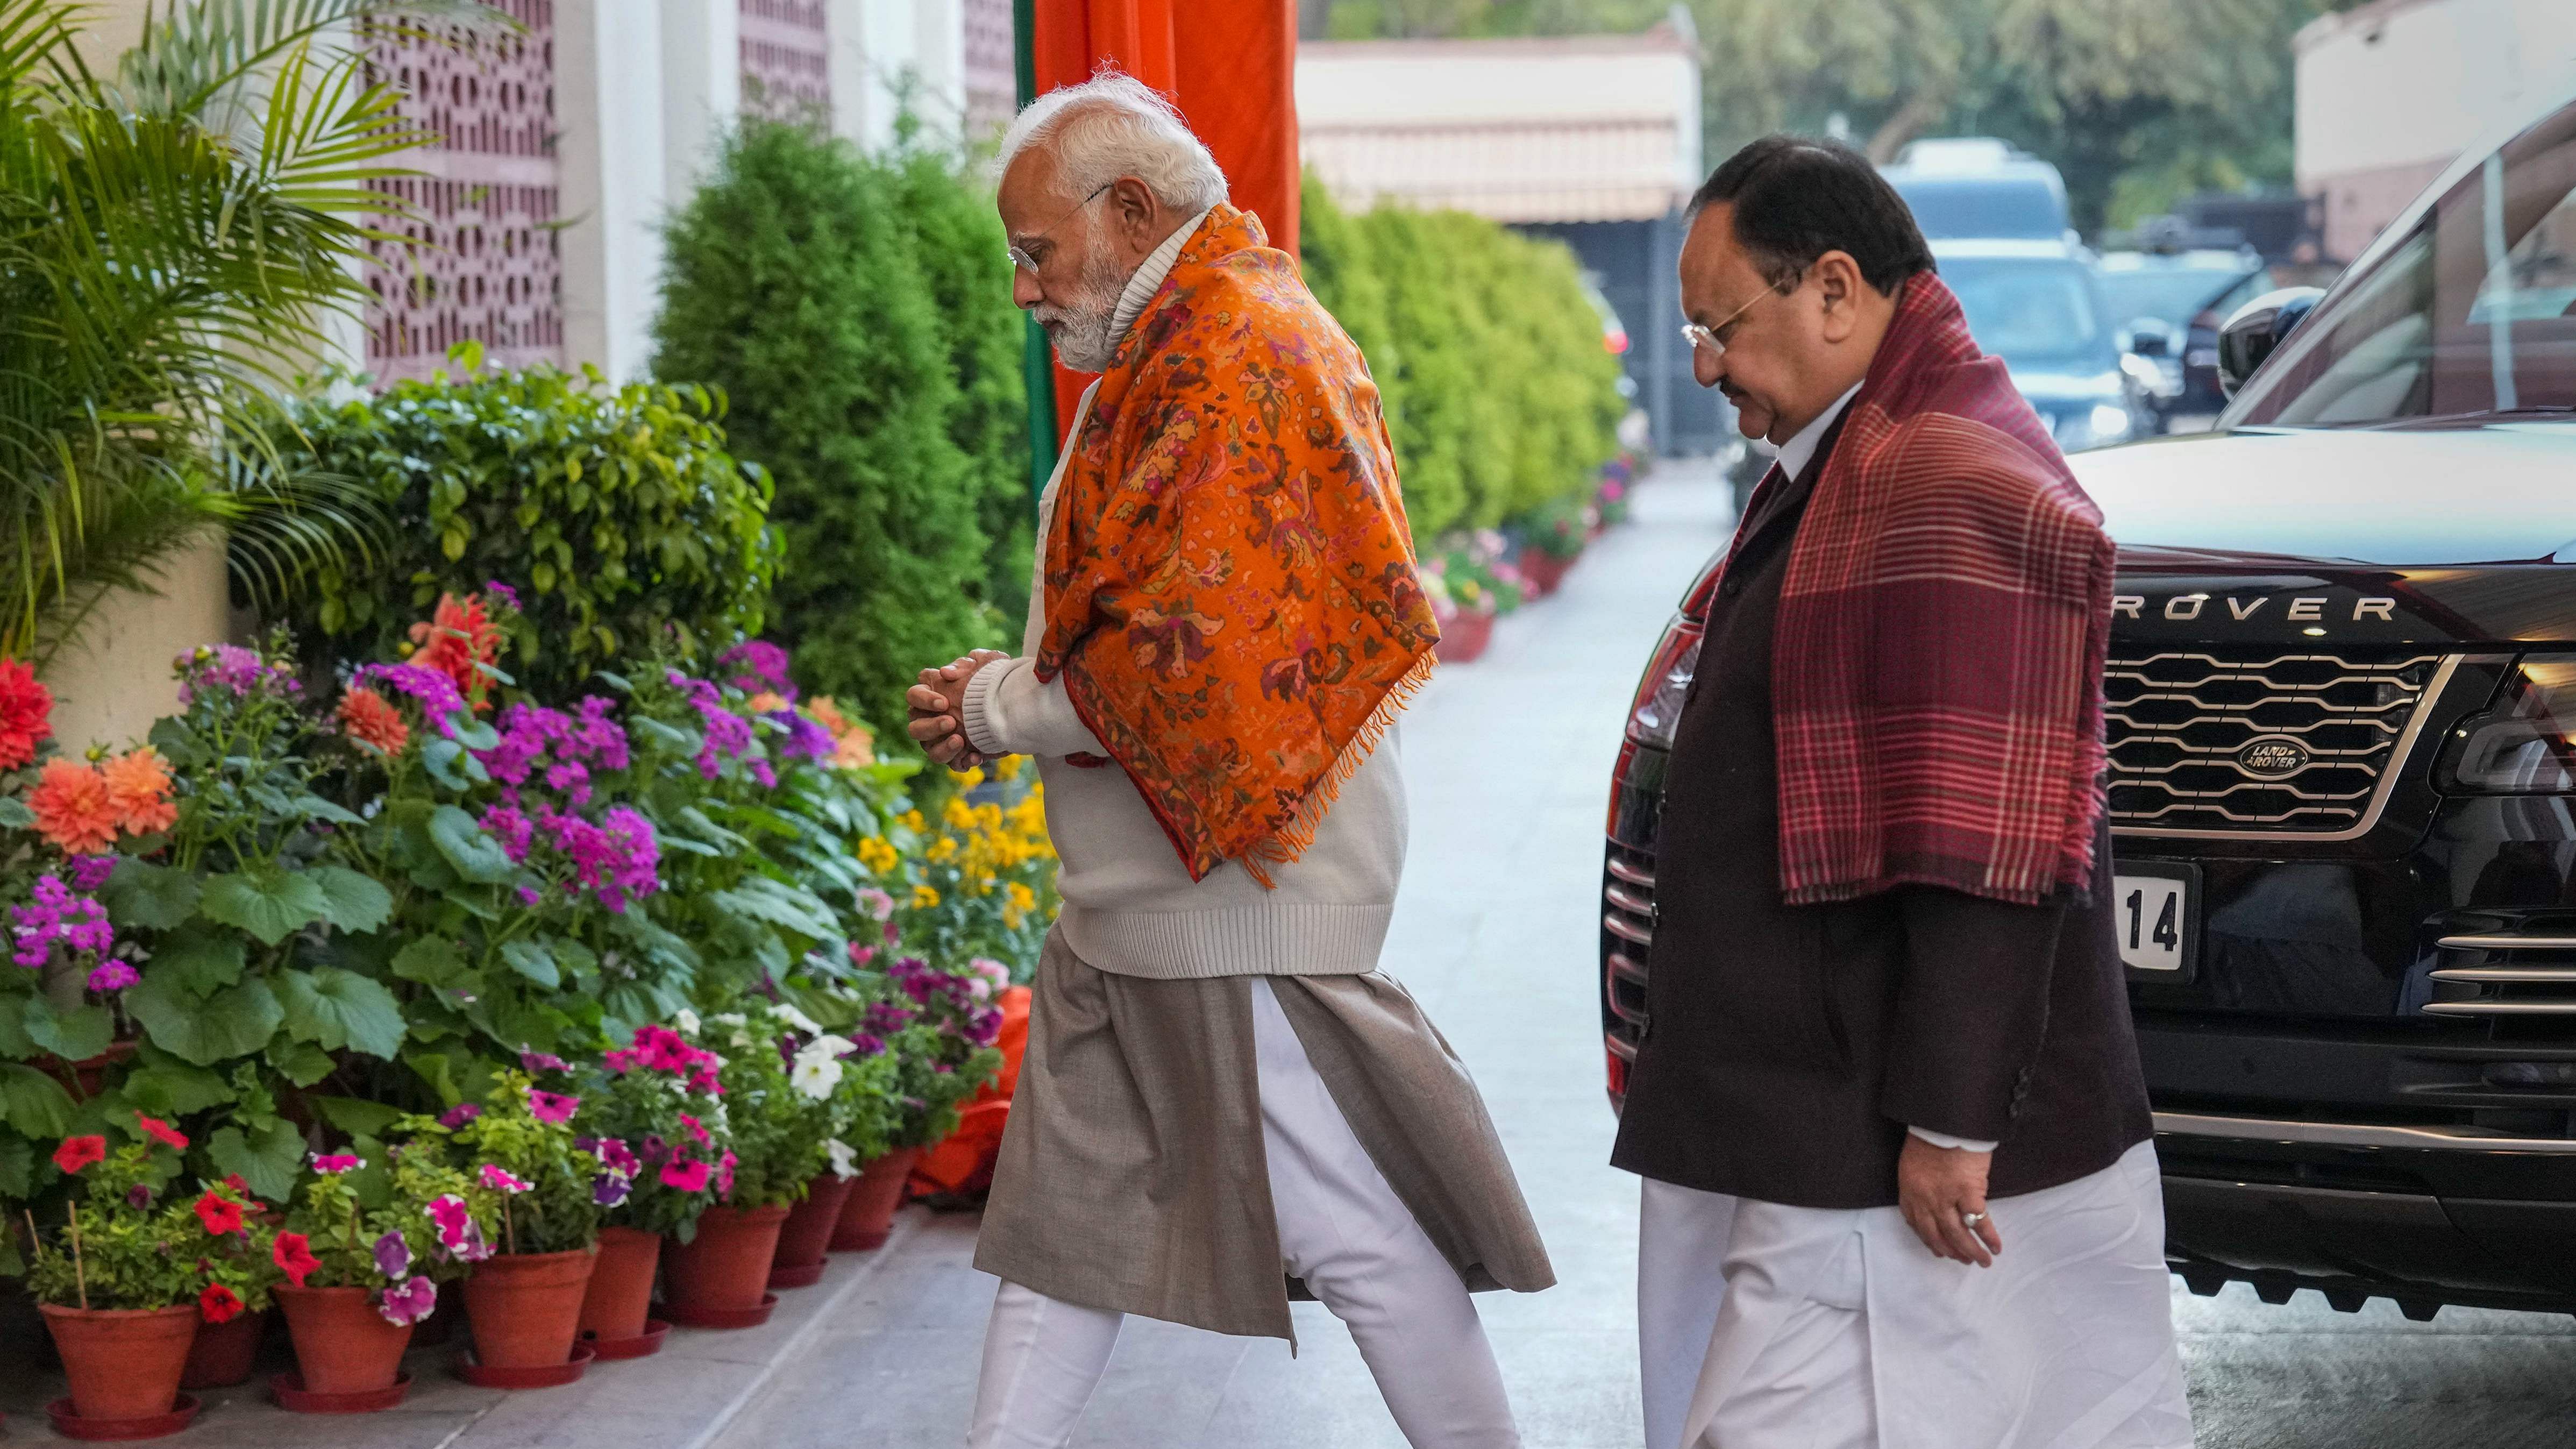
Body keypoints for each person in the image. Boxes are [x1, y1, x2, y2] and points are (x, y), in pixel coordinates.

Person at [903, 73, 1553, 1449]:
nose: (1027, 290)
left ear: (1130, 210)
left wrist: (996, 709)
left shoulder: (1231, 350)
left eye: (1037, 251)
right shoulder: (1196, 332)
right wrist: (1010, 695)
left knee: (1357, 1237)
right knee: (1059, 1241)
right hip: (1157, 902)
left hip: (1231, 905)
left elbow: (1184, 664)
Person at [1613, 137, 2194, 1449]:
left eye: (1720, 325)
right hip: (1826, 1095)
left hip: (1874, 1129)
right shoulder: (1875, 452)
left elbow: (1983, 847)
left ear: (1833, 288)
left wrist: (1948, 1117)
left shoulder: (1944, 485)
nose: (1703, 364)